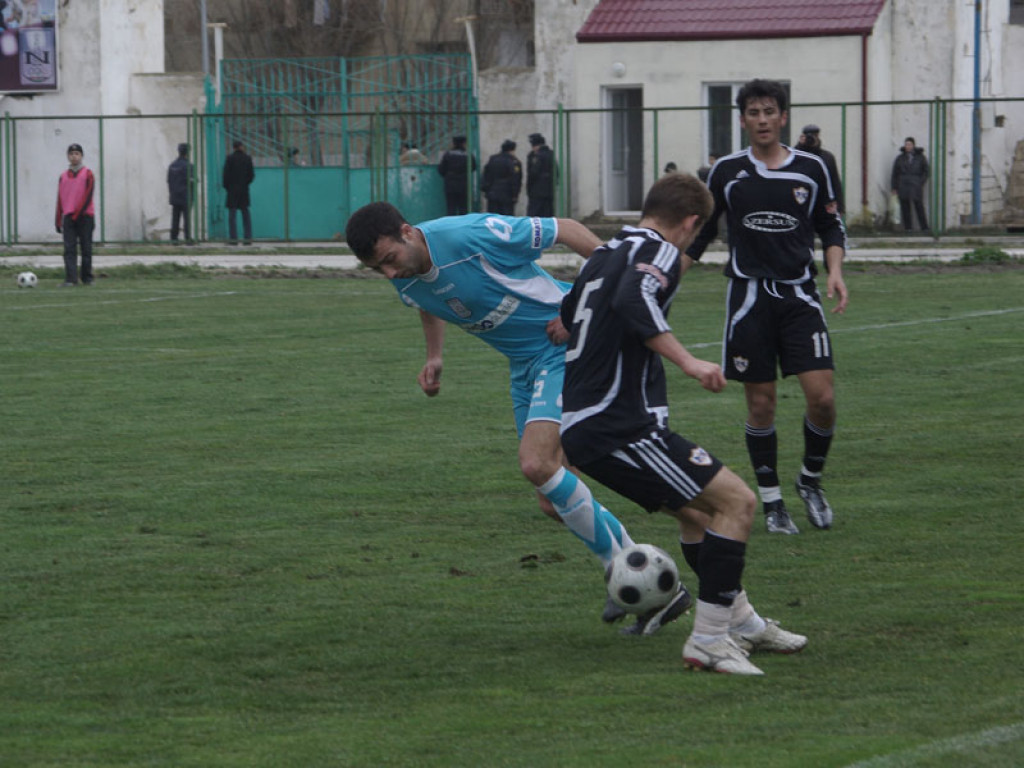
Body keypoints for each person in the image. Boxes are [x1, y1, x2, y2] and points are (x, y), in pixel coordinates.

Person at [345, 202, 691, 635]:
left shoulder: (468, 236)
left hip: (563, 348)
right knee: (552, 500)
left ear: (408, 232)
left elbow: (566, 228)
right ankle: (645, 580)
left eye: (390, 259)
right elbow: (425, 299)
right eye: (377, 269)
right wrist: (434, 356)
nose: (389, 274)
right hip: (524, 366)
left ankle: (624, 568)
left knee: (536, 463)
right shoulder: (404, 273)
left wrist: (595, 301)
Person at [561, 172, 808, 675]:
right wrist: (689, 362)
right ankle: (709, 639)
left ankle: (744, 623)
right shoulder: (661, 251)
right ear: (692, 223)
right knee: (737, 503)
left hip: (588, 424)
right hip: (620, 426)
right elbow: (633, 299)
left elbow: (567, 315)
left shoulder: (607, 252)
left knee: (698, 515)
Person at [686, 78, 849, 536]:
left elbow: (831, 227)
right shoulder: (726, 172)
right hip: (749, 300)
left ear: (783, 117)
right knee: (762, 405)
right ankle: (773, 503)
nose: (762, 120)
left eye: (769, 112)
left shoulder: (812, 168)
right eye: (753, 113)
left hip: (799, 296)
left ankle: (810, 481)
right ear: (742, 120)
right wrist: (665, 278)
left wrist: (835, 271)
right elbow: (701, 235)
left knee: (823, 398)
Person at [54, 143, 96, 286]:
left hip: (85, 216)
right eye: (71, 154)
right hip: (69, 217)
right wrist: (58, 219)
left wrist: (78, 213)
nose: (74, 157)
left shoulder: (88, 174)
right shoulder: (63, 176)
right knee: (69, 249)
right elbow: (60, 199)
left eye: (77, 154)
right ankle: (71, 278)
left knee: (86, 248)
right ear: (68, 156)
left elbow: (88, 196)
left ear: (81, 156)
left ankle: (87, 277)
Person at [798, 125, 845, 215]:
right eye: (809, 136)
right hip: (801, 203)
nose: (811, 139)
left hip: (822, 205)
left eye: (815, 136)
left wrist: (840, 207)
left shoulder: (827, 157)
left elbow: (835, 182)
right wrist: (800, 145)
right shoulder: (797, 156)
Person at [891, 137, 930, 232]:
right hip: (903, 184)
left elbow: (926, 171)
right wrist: (894, 187)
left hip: (915, 184)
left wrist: (920, 181)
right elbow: (895, 173)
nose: (908, 146)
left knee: (918, 205)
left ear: (913, 145)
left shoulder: (920, 157)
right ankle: (908, 228)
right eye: (906, 144)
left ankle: (924, 227)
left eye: (909, 144)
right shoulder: (900, 158)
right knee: (905, 206)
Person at [222, 139, 255, 244]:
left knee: (232, 215)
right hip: (243, 189)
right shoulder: (247, 158)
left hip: (232, 190)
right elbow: (251, 175)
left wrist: (228, 187)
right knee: (245, 213)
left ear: (233, 148)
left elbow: (225, 175)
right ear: (241, 147)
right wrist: (245, 183)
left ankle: (233, 239)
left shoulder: (229, 158)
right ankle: (247, 238)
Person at [481, 139, 522, 215]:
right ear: (512, 150)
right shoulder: (514, 161)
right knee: (506, 217)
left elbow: (486, 175)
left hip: (492, 193)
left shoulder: (493, 159)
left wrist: (486, 189)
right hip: (507, 194)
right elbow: (515, 179)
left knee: (492, 217)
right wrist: (515, 194)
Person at [437, 135, 476, 215]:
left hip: (450, 183)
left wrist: (448, 175)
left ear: (454, 143)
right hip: (463, 183)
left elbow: (441, 169)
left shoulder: (448, 154)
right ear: (464, 143)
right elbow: (473, 167)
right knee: (463, 207)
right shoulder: (468, 154)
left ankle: (452, 222)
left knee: (451, 207)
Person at [167, 142, 193, 244]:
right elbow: (192, 181)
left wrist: (172, 192)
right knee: (187, 218)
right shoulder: (189, 166)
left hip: (175, 195)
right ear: (187, 152)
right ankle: (188, 238)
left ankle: (174, 238)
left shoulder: (172, 165)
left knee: (175, 218)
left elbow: (168, 180)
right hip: (185, 195)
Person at [526, 133, 555, 217]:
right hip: (549, 190)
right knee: (547, 213)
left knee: (534, 214)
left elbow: (533, 173)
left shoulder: (535, 156)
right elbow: (556, 171)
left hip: (536, 190)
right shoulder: (550, 154)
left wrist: (529, 188)